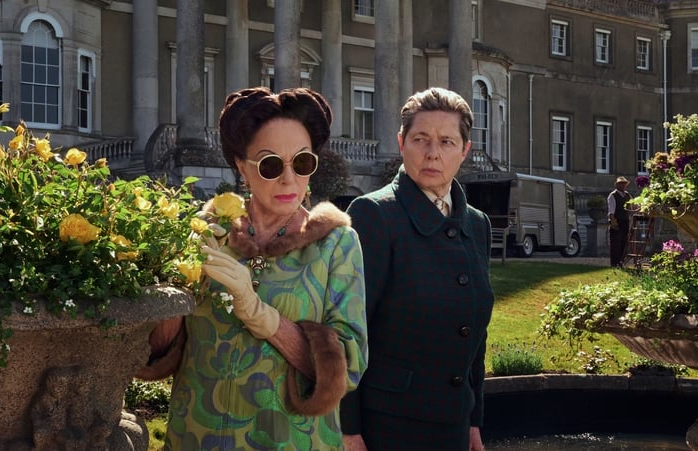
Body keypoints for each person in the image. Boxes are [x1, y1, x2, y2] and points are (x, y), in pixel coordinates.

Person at [137, 87, 367, 450]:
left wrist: (262, 316)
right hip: (197, 436)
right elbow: (153, 350)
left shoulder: (335, 244)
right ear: (242, 167)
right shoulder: (206, 233)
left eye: (302, 163)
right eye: (270, 164)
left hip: (291, 441)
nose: (288, 179)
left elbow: (349, 366)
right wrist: (175, 288)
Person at [339, 87, 494, 451]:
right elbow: (348, 331)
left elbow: (475, 336)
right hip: (387, 427)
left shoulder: (477, 224)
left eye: (447, 142)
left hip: (454, 425)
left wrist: (474, 420)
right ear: (401, 142)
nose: (432, 153)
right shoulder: (373, 215)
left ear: (465, 150)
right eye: (420, 139)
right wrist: (348, 429)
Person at [608, 175, 633, 267]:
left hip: (625, 221)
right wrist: (613, 221)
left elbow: (632, 207)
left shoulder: (628, 195)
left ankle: (621, 262)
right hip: (616, 220)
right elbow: (611, 210)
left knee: (623, 242)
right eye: (621, 184)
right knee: (615, 243)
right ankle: (615, 263)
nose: (623, 185)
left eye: (624, 184)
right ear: (617, 185)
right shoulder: (613, 195)